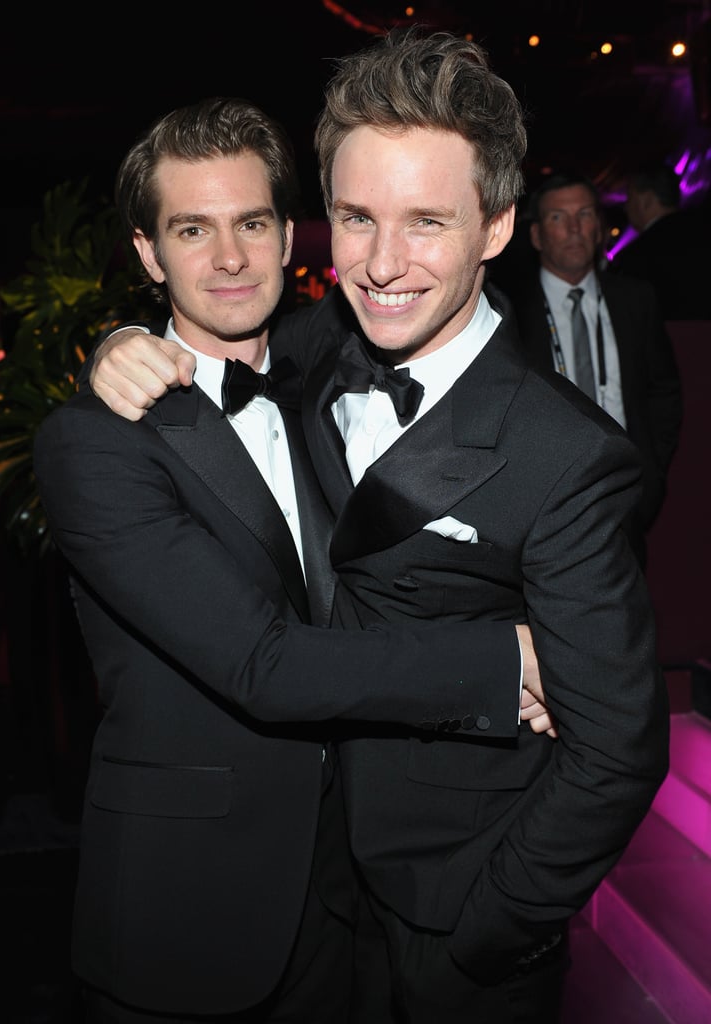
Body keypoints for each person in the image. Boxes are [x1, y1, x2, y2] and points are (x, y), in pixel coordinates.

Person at [86, 28, 670, 1024]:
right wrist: (117, 344)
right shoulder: (322, 347)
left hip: (453, 934)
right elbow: (216, 332)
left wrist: (487, 933)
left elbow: (620, 751)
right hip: (308, 896)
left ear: (494, 227)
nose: (383, 265)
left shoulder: (563, 455)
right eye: (357, 218)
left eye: (426, 223)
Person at [32, 94, 555, 1023]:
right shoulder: (97, 445)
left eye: (252, 223)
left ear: (287, 236)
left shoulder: (323, 363)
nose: (229, 257)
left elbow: (457, 296)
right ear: (149, 255)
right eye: (192, 230)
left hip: (344, 895)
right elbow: (263, 663)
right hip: (187, 913)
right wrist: (504, 659)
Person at [491, 169, 683, 569]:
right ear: (537, 235)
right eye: (558, 218)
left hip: (626, 499)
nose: (574, 228)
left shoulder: (637, 301)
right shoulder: (506, 314)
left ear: (599, 227)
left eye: (585, 215)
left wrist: (651, 473)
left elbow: (664, 392)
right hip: (537, 507)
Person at [609, 162, 711, 321]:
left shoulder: (637, 255)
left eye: (629, 198)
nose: (625, 207)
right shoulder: (703, 232)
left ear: (646, 200)